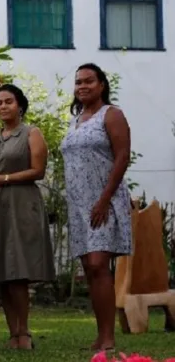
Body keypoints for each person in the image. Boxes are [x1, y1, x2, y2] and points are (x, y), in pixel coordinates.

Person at [0, 84, 55, 350]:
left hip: (21, 205)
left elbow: (38, 170)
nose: (3, 107)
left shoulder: (31, 133)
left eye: (8, 101)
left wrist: (4, 179)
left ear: (19, 105)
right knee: (3, 274)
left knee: (18, 271)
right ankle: (12, 333)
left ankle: (24, 332)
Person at [60, 63, 132, 352]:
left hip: (104, 201)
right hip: (79, 206)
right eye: (78, 82)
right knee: (89, 270)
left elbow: (122, 156)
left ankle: (109, 339)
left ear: (102, 84)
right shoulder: (75, 120)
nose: (83, 86)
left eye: (89, 81)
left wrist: (103, 200)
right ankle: (100, 335)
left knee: (100, 265)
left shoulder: (111, 115)